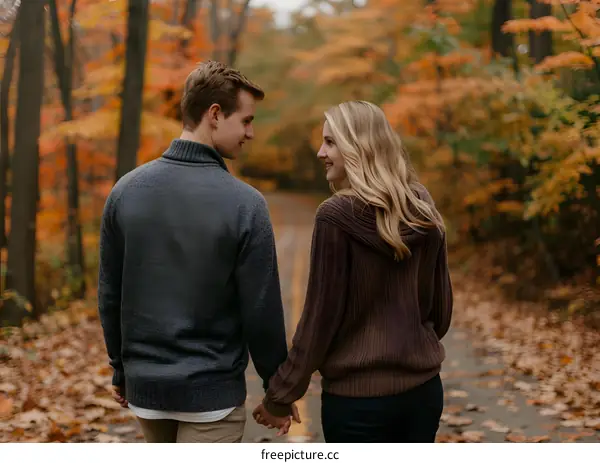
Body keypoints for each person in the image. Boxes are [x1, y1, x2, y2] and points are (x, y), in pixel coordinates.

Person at [97, 60, 297, 443]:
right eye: (247, 120)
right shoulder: (245, 204)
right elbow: (261, 312)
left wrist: (121, 371)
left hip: (146, 392)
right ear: (215, 114)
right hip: (212, 398)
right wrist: (278, 392)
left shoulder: (125, 191)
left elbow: (110, 295)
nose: (251, 133)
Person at [252, 100, 453, 443]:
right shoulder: (421, 204)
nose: (320, 152)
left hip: (357, 406)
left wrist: (280, 396)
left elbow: (319, 322)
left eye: (330, 142)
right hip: (422, 395)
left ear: (359, 146)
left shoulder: (335, 216)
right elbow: (440, 312)